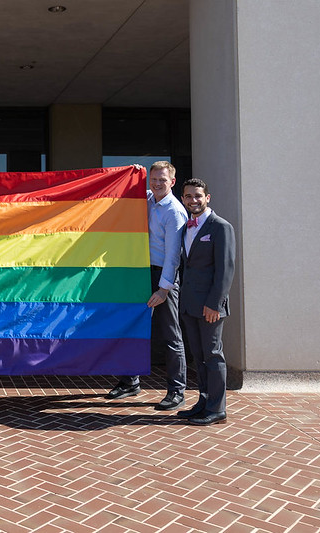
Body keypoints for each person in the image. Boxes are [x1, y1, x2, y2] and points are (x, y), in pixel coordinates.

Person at [106, 161, 188, 411]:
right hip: (139, 271)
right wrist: (130, 173)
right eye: (153, 179)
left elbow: (174, 255)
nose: (156, 183)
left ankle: (177, 391)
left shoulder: (174, 211)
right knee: (132, 326)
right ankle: (130, 381)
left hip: (163, 276)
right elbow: (123, 193)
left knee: (170, 334)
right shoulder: (149, 199)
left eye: (162, 180)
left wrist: (164, 289)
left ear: (172, 182)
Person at [176, 178, 235, 426]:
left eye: (198, 196)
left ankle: (217, 408)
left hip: (210, 306)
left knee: (213, 355)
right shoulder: (184, 228)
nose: (193, 200)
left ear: (207, 198)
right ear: (183, 199)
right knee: (198, 357)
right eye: (188, 196)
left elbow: (225, 270)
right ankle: (203, 402)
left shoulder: (220, 227)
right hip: (190, 305)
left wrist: (215, 304)